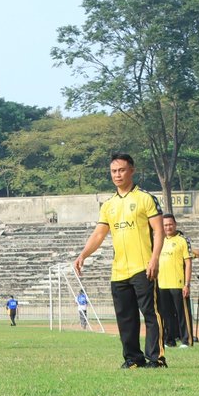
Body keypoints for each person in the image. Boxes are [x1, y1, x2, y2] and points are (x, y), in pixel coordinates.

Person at [74, 153, 166, 369]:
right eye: (114, 171)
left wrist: (154, 259)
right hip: (119, 270)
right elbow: (98, 235)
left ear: (132, 171)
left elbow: (159, 231)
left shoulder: (145, 198)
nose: (117, 174)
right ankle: (133, 358)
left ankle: (157, 358)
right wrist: (83, 255)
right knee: (126, 317)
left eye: (122, 170)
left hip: (142, 266)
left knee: (151, 314)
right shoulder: (109, 205)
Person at [156, 214, 192, 348]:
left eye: (170, 224)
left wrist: (187, 284)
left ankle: (186, 340)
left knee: (182, 313)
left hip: (178, 283)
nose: (168, 227)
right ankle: (169, 340)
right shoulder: (159, 240)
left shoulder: (182, 240)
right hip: (162, 284)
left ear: (175, 224)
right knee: (166, 315)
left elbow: (188, 263)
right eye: (165, 225)